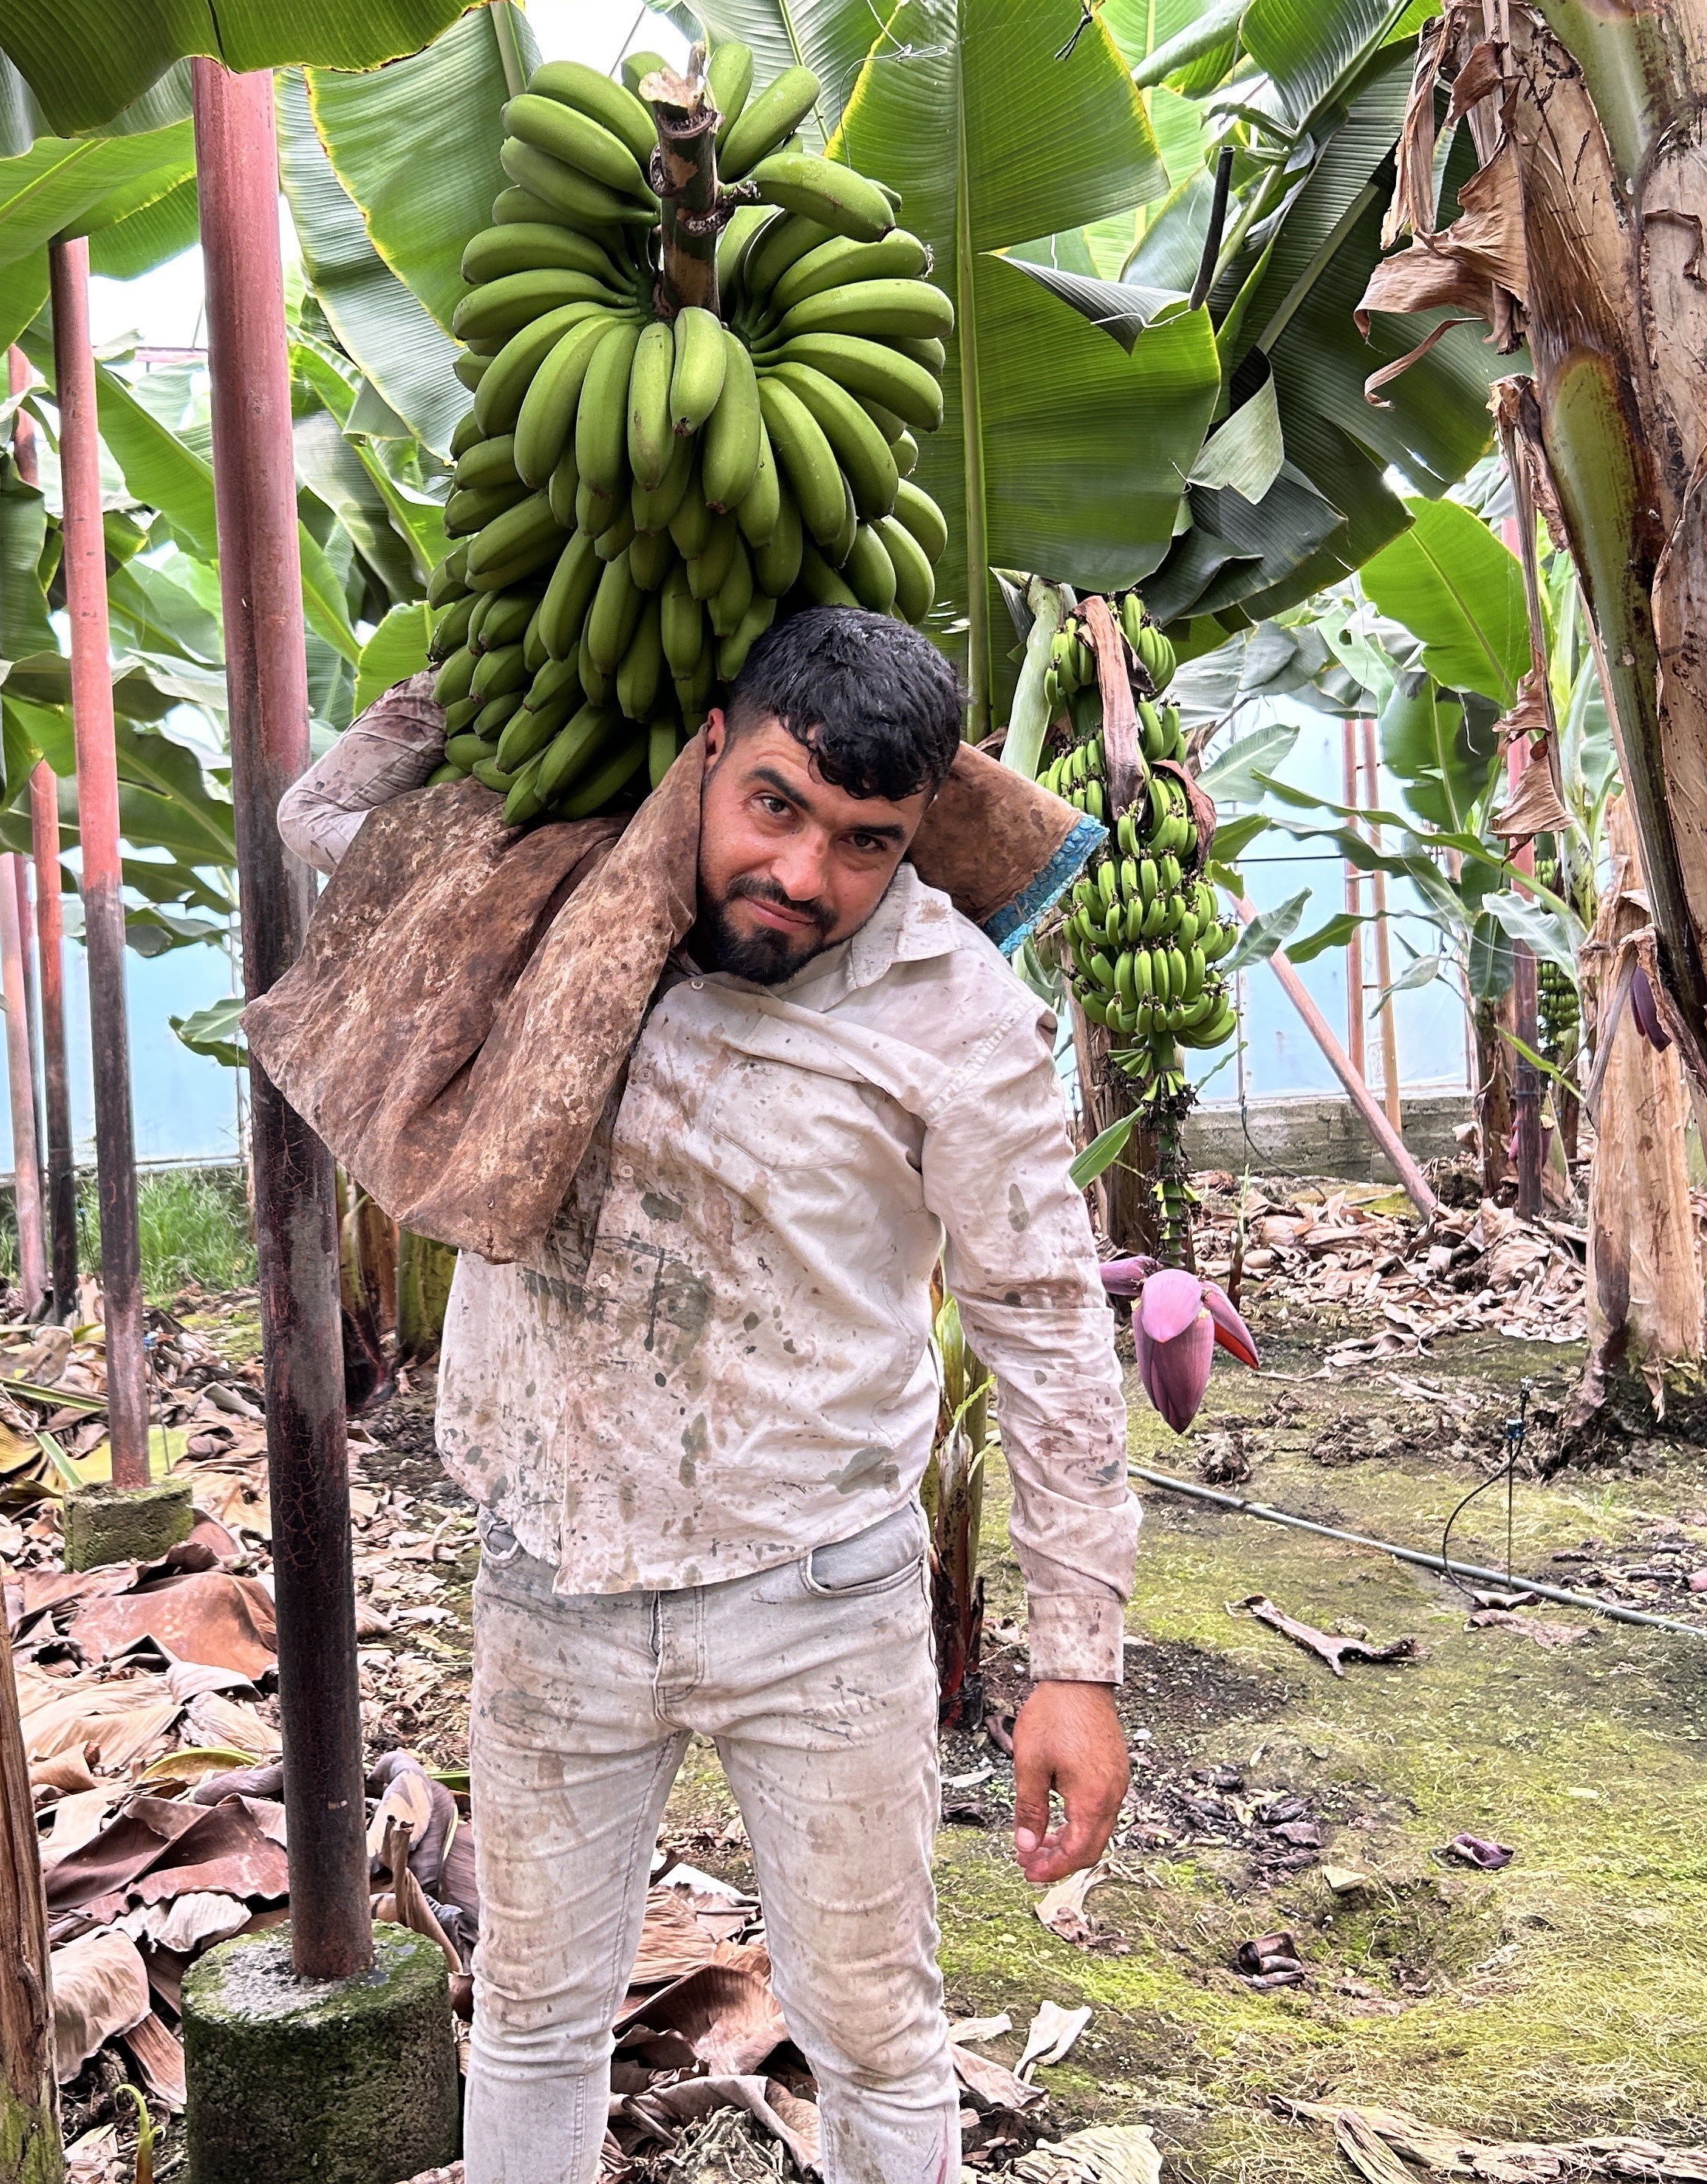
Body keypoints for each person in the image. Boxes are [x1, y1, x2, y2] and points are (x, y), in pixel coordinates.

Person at [279, 605, 1137, 2184]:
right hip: (553, 1580)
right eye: (775, 806)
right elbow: (324, 820)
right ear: (706, 749)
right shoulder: (552, 891)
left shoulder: (956, 1017)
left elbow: (1046, 1327)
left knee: (876, 2030)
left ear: (919, 832)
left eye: (866, 842)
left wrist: (1077, 1659)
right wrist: (514, 642)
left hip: (824, 1601)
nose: (804, 876)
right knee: (534, 2019)